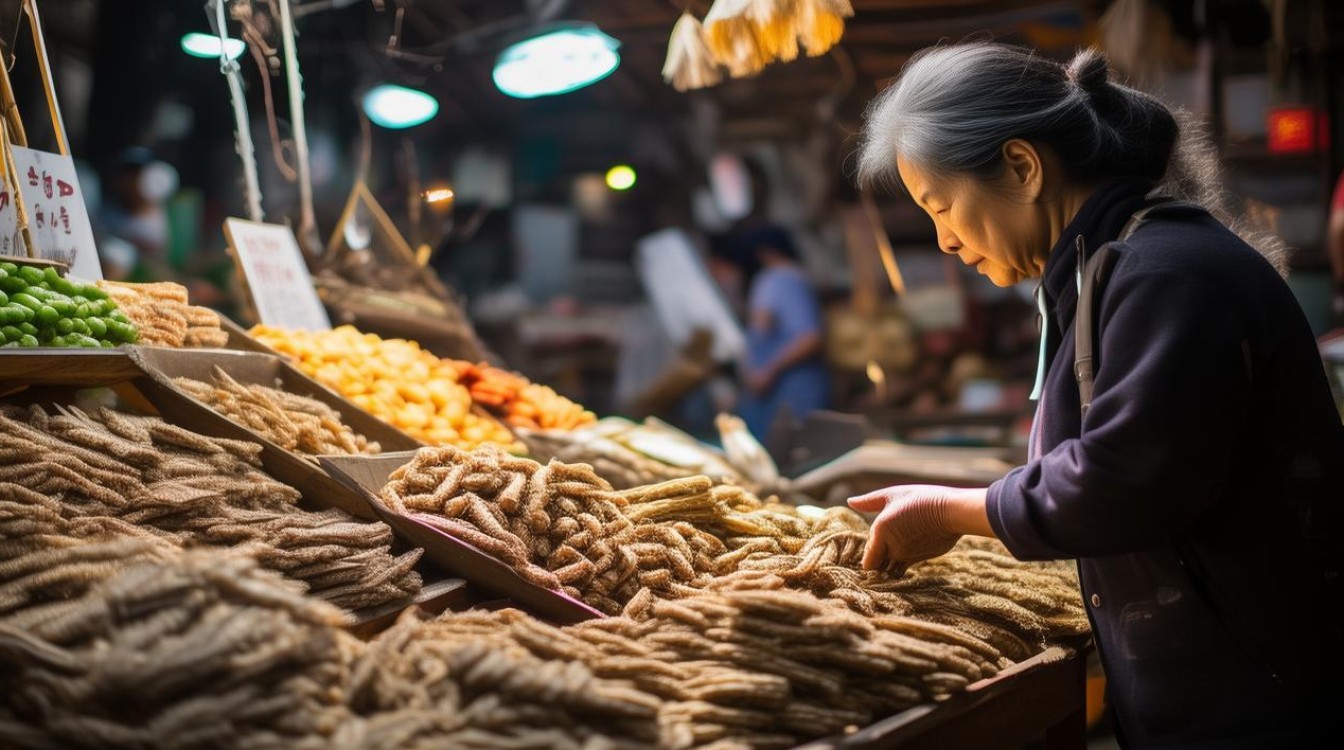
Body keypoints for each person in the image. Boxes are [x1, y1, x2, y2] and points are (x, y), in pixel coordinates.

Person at [850, 43, 1342, 749]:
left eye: (943, 206)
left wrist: (954, 511)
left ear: (1021, 167)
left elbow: (1126, 478)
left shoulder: (1167, 274)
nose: (946, 240)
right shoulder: (1108, 272)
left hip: (1265, 701)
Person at [733, 225, 829, 439]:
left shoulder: (780, 280)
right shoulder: (792, 278)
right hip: (779, 397)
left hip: (788, 396)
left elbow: (810, 337)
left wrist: (768, 371)